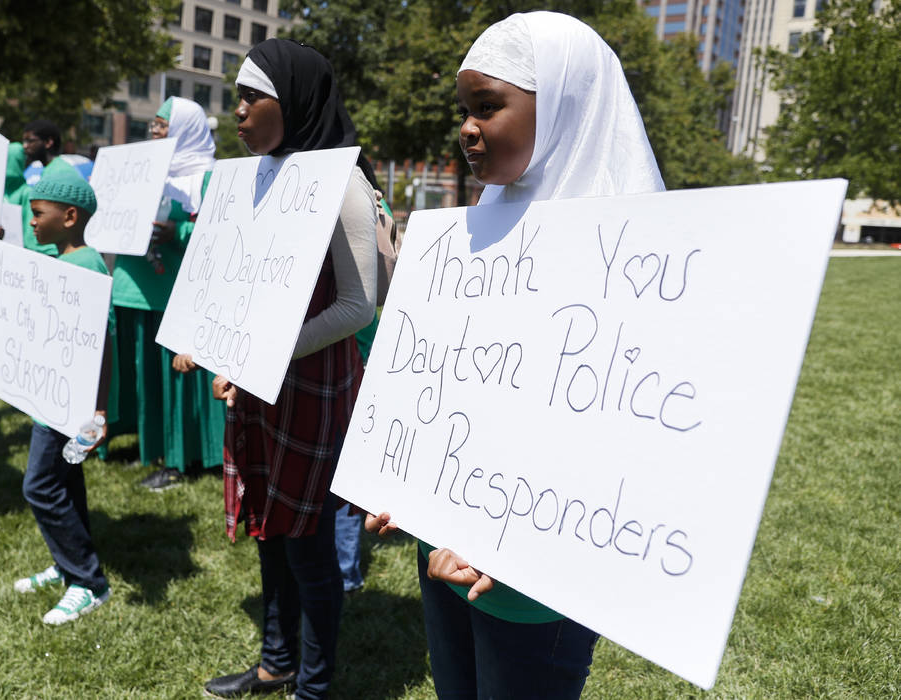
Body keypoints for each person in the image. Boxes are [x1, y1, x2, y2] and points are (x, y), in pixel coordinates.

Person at [366, 12, 665, 699]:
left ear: (562, 106)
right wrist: (401, 477)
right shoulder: (473, 235)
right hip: (443, 548)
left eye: (488, 107)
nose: (467, 127)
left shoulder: (635, 257)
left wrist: (517, 542)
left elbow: (624, 443)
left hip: (534, 582)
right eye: (464, 109)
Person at [179, 39, 378, 700]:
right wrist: (220, 346)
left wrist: (263, 350)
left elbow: (358, 305)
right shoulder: (254, 178)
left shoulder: (342, 180)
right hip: (263, 385)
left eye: (250, 97)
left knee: (309, 547)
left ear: (292, 101)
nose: (235, 112)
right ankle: (276, 660)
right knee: (270, 529)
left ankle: (313, 685)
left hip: (314, 387)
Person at [5, 168, 114, 625]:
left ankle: (87, 582)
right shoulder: (64, 262)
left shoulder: (86, 266)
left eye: (37, 213)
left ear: (69, 216)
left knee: (40, 485)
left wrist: (100, 408)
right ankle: (67, 559)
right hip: (51, 394)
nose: (31, 222)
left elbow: (103, 340)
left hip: (70, 405)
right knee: (66, 483)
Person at [108, 96, 224, 491]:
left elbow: (221, 234)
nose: (154, 132)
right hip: (132, 287)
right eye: (154, 125)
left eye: (162, 125)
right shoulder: (141, 169)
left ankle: (180, 458)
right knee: (140, 374)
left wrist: (179, 233)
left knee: (174, 380)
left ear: (185, 130)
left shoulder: (207, 178)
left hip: (175, 294)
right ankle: (141, 442)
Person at [4, 119, 74, 256]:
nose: (25, 146)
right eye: (24, 141)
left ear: (48, 142)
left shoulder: (61, 173)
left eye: (30, 141)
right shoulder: (48, 170)